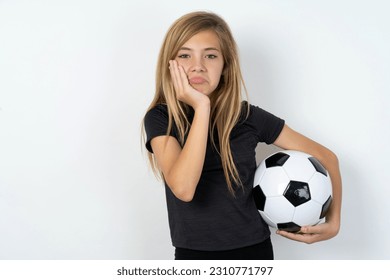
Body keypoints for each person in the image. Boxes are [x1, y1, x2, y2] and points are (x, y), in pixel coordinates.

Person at [142, 11, 342, 260]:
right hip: (193, 257)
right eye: (185, 55)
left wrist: (333, 222)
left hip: (254, 254)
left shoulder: (247, 116)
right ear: (170, 65)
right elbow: (184, 188)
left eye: (211, 55)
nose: (198, 65)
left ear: (225, 66)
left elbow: (327, 158)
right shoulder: (161, 118)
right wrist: (201, 107)